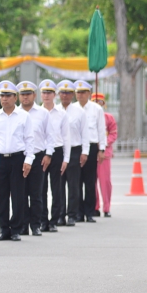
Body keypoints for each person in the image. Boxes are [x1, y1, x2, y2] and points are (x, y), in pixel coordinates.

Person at [0, 80, 34, 242]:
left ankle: (16, 229)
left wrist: (28, 160)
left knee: (18, 196)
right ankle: (4, 229)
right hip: (0, 160)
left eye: (8, 96)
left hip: (17, 158)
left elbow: (30, 139)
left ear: (15, 98)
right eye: (2, 96)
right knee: (1, 196)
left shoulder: (24, 116)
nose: (5, 99)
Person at [17, 81, 52, 236]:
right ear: (18, 96)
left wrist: (48, 154)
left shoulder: (43, 113)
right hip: (21, 157)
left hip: (38, 157)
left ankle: (36, 225)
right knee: (21, 194)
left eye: (28, 94)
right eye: (23, 94)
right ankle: (23, 226)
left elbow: (50, 136)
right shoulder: (15, 113)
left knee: (36, 194)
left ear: (34, 95)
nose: (25, 97)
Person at [57, 79, 89, 226]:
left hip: (75, 150)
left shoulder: (79, 112)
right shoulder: (54, 111)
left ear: (73, 94)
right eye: (63, 92)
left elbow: (85, 133)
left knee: (74, 185)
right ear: (58, 94)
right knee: (58, 185)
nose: (65, 95)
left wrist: (85, 152)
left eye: (68, 93)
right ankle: (59, 214)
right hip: (60, 150)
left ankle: (72, 214)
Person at [39, 79, 70, 233]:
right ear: (40, 94)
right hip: (41, 152)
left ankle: (54, 220)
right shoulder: (36, 112)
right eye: (44, 92)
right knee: (41, 188)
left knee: (56, 188)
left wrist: (66, 159)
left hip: (57, 151)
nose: (46, 95)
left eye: (49, 92)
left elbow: (66, 138)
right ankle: (43, 220)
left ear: (55, 95)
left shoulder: (61, 114)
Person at [74, 80, 106, 223]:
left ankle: (90, 212)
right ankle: (78, 212)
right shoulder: (71, 108)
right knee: (76, 181)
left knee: (90, 180)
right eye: (78, 92)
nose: (80, 95)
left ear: (88, 93)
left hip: (92, 147)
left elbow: (101, 129)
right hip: (76, 147)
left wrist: (102, 149)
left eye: (83, 92)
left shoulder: (96, 109)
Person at [92, 93, 117, 217]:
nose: (97, 104)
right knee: (92, 182)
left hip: (104, 153)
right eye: (95, 102)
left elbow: (113, 133)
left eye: (100, 102)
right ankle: (94, 206)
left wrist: (103, 143)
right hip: (91, 152)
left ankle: (106, 207)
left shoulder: (108, 117)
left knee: (105, 181)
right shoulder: (88, 117)